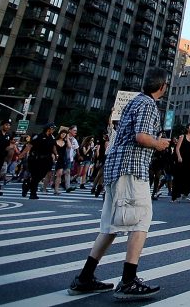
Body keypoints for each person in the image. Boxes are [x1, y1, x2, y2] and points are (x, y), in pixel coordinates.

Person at [67, 67, 171, 299]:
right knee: (141, 220)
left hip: (117, 169)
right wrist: (159, 143)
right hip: (131, 169)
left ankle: (84, 278)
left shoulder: (135, 102)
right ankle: (128, 281)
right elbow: (141, 137)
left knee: (110, 226)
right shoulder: (148, 104)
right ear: (162, 86)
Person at [27, 124, 57, 200]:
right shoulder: (39, 136)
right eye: (52, 128)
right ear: (48, 129)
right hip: (37, 159)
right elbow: (30, 146)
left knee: (42, 174)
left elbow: (53, 146)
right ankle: (33, 193)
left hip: (47, 159)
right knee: (35, 176)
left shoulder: (52, 137)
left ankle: (28, 185)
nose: (53, 130)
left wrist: (56, 154)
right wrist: (22, 154)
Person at [172, 123, 190, 202]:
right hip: (182, 160)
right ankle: (175, 197)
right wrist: (179, 156)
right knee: (179, 178)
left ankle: (185, 194)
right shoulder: (182, 136)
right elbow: (177, 148)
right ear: (187, 128)